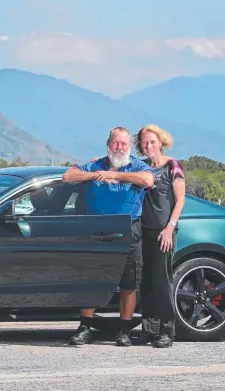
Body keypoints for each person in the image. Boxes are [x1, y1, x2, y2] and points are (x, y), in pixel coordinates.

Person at [62, 127, 154, 346]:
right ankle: (85, 327)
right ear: (108, 144)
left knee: (128, 283)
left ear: (130, 147)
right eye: (115, 143)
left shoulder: (138, 165)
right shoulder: (96, 165)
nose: (119, 147)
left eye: (123, 144)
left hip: (128, 229)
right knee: (92, 280)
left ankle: (124, 331)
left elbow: (148, 180)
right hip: (96, 229)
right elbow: (68, 176)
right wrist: (96, 176)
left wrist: (116, 175)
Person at [134, 124, 186, 348]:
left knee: (162, 280)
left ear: (161, 142)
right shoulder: (142, 168)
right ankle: (149, 330)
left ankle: (167, 330)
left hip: (163, 231)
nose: (148, 146)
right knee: (145, 281)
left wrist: (169, 227)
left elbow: (180, 199)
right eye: (144, 143)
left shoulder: (172, 166)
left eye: (152, 142)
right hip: (143, 231)